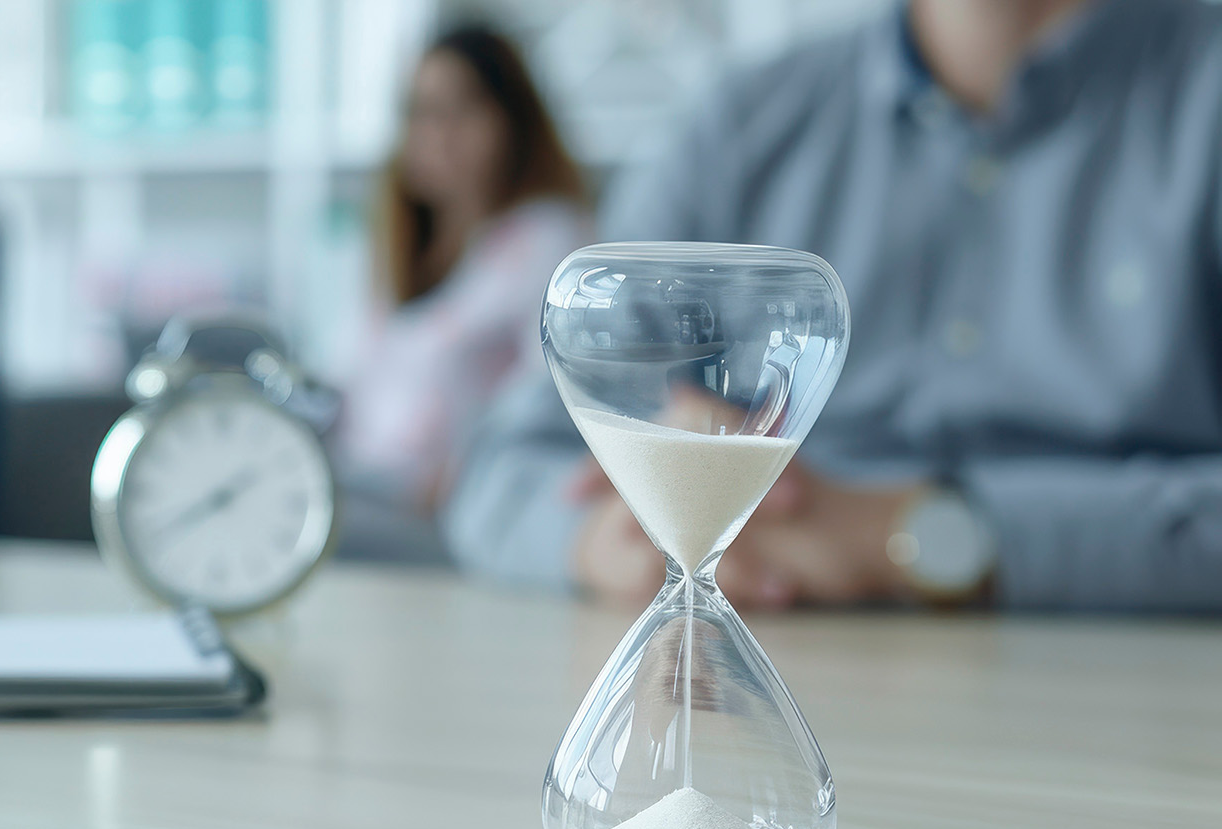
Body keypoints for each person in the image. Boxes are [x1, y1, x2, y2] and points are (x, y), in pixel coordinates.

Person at [446, 0, 1222, 613]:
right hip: (774, 637)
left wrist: (911, 533)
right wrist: (618, 532)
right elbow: (499, 466)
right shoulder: (742, 127)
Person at [334, 24, 589, 515]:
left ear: (512, 120)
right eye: (421, 113)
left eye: (461, 109)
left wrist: (464, 473)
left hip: (461, 512)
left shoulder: (549, 242)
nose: (438, 134)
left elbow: (552, 399)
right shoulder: (401, 254)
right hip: (367, 488)